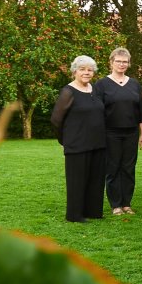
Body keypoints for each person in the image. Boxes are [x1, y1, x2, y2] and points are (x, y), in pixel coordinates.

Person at [51, 55, 106, 223]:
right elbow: (56, 120)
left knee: (96, 179)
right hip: (77, 144)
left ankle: (93, 211)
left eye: (90, 70)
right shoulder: (68, 91)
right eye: (82, 69)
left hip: (97, 143)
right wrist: (64, 141)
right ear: (74, 71)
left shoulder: (94, 89)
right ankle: (74, 215)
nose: (86, 73)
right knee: (77, 181)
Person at [93, 47, 142, 216]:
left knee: (128, 168)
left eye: (125, 61)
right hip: (110, 133)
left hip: (131, 133)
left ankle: (126, 203)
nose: (122, 64)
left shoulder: (134, 84)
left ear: (128, 64)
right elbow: (97, 112)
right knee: (113, 168)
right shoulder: (101, 84)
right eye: (118, 61)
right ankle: (116, 204)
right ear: (111, 62)